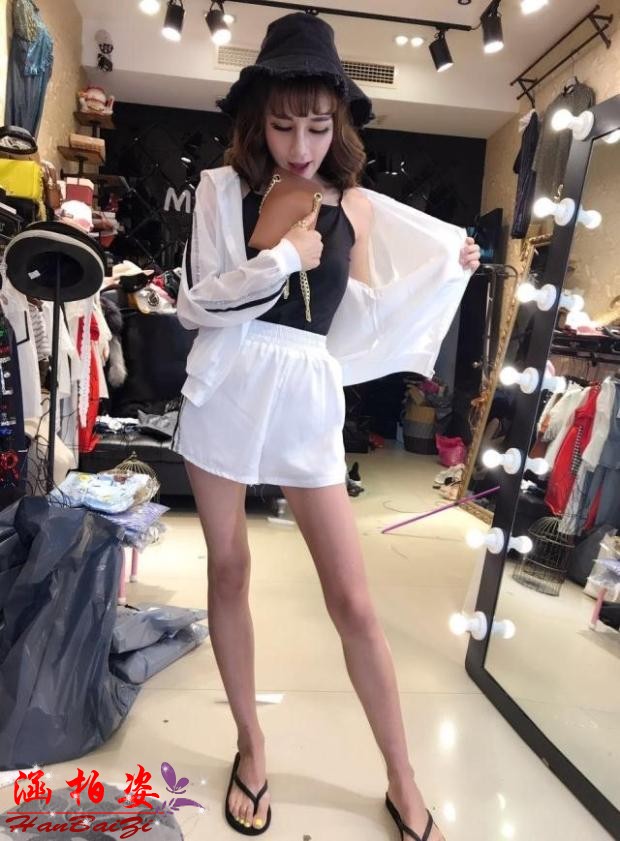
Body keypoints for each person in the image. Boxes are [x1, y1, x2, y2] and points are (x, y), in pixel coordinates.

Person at [173, 12, 481, 841]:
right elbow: (198, 305)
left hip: (306, 393)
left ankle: (403, 779)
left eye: (317, 126)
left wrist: (442, 279)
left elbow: (362, 320)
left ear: (339, 121)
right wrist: (284, 258)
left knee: (353, 599)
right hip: (228, 382)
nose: (301, 144)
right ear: (257, 117)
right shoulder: (219, 190)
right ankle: (252, 744)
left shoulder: (357, 206)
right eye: (283, 125)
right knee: (229, 569)